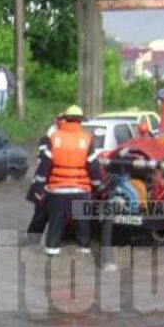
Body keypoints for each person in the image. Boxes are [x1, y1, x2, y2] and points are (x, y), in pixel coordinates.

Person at [39, 105, 104, 256]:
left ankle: (51, 249)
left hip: (56, 190)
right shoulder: (87, 138)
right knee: (82, 223)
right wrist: (97, 186)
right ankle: (83, 248)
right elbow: (93, 167)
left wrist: (40, 185)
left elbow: (44, 164)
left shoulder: (54, 137)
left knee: (55, 221)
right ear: (80, 120)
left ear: (65, 118)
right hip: (80, 190)